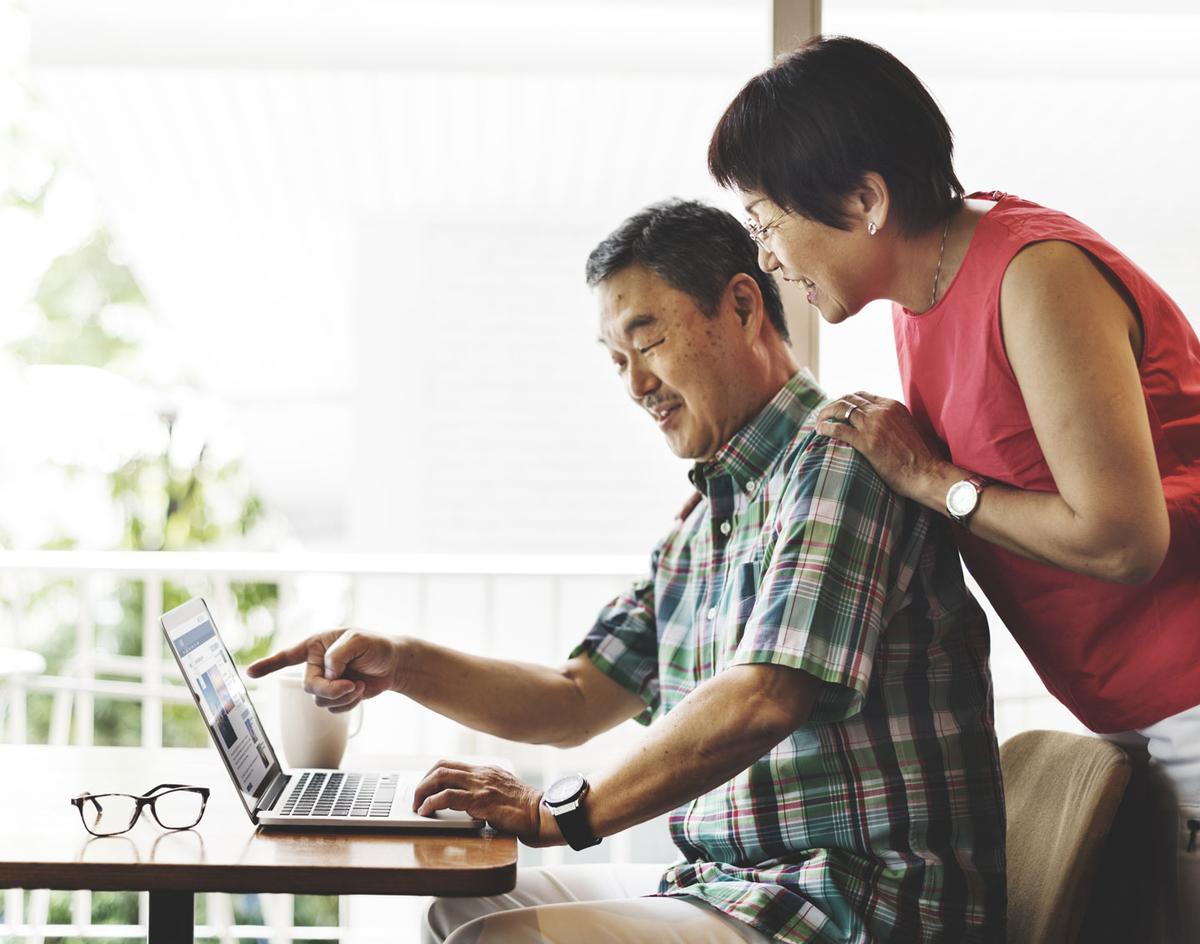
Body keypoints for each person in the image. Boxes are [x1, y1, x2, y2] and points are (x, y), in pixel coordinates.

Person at [248, 199, 1006, 944]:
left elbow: (766, 697)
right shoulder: (707, 519)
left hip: (853, 907)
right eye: (617, 361)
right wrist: (402, 661)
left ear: (743, 307)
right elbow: (574, 699)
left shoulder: (840, 455)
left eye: (647, 343)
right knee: (461, 908)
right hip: (736, 892)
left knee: (497, 941)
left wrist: (558, 814)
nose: (636, 385)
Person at [707, 34, 1200, 943]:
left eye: (769, 221)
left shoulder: (1033, 275)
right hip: (1131, 713)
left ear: (865, 200)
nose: (768, 258)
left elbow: (1128, 543)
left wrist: (938, 483)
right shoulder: (918, 300)